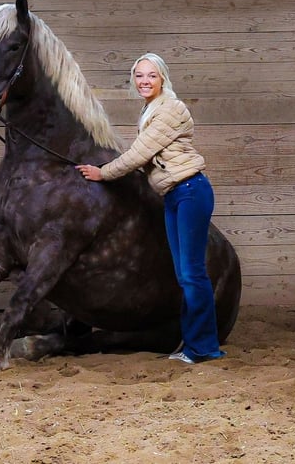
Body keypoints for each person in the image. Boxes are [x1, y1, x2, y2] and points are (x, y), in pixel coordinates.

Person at [76, 52, 225, 364]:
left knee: (192, 273)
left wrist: (102, 173)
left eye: (151, 76)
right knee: (184, 275)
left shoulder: (170, 109)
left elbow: (137, 156)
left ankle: (204, 348)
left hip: (190, 192)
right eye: (139, 75)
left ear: (163, 79)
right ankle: (193, 345)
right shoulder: (151, 109)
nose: (144, 81)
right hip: (174, 195)